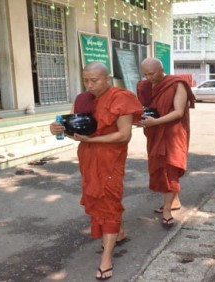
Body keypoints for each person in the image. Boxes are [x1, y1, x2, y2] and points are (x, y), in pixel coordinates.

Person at [49, 62, 142, 280]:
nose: (89, 85)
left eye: (94, 80)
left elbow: (124, 135)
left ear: (107, 78)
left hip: (110, 159)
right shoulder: (83, 100)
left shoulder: (122, 97)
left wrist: (93, 139)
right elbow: (74, 130)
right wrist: (57, 129)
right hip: (88, 157)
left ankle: (106, 258)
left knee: (109, 202)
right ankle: (117, 232)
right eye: (86, 80)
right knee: (95, 199)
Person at [136, 58, 195, 228]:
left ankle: (167, 210)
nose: (149, 78)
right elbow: (142, 107)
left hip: (172, 133)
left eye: (152, 73)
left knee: (170, 169)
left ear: (162, 69)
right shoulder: (145, 85)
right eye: (145, 74)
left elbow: (178, 112)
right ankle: (174, 201)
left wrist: (156, 122)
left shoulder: (177, 84)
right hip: (155, 133)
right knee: (159, 167)